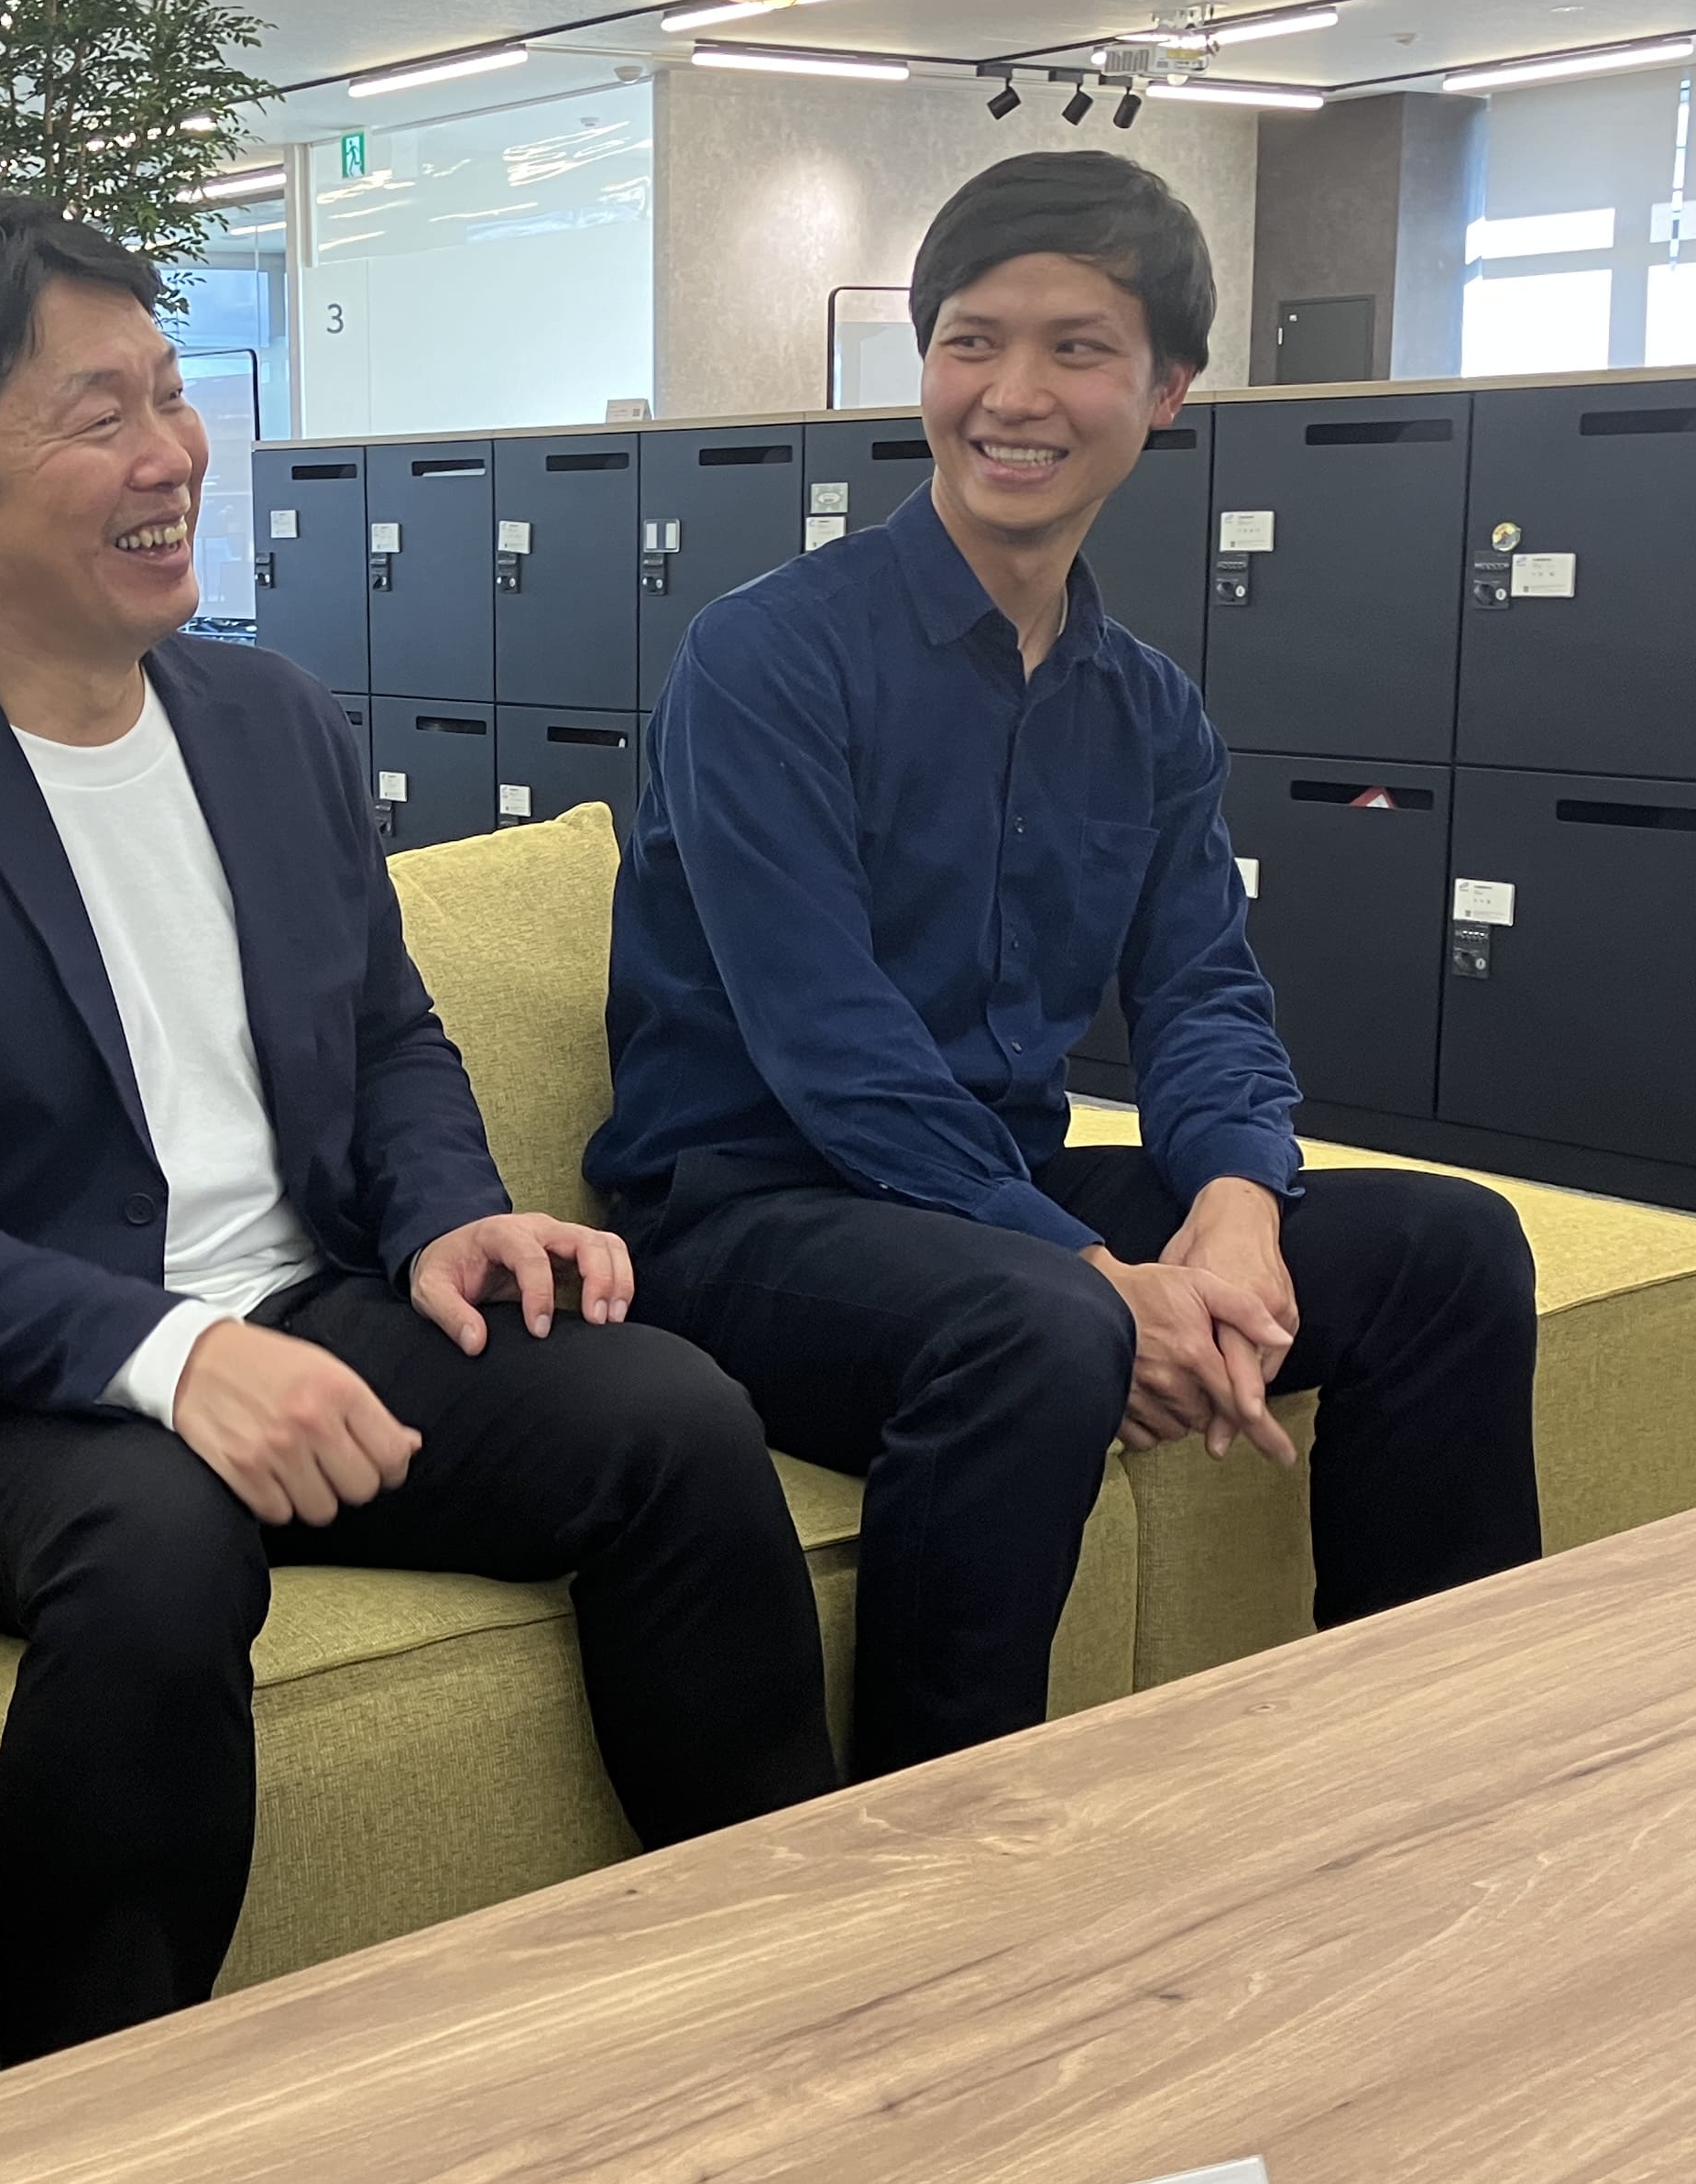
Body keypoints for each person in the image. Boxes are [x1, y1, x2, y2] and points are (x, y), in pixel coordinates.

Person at [0, 193, 835, 2065]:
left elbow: (387, 1029)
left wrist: (447, 1216)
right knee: (158, 1554)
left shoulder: (271, 718)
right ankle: (97, 2121)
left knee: (672, 1416)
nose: (171, 455)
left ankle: (775, 1984)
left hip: (310, 1308)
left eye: (170, 393)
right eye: (98, 417)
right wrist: (177, 1360)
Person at [590, 150, 1540, 1782]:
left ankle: (1423, 1767)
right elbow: (833, 1048)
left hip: (991, 1204)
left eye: (1076, 349)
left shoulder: (1145, 706)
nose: (1012, 395)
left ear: (1165, 392)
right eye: (971, 341)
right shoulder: (766, 656)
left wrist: (1234, 1202)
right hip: (744, 1220)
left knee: (1443, 1246)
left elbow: (1204, 993)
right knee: (1038, 1325)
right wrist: (1098, 1277)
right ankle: (939, 1849)